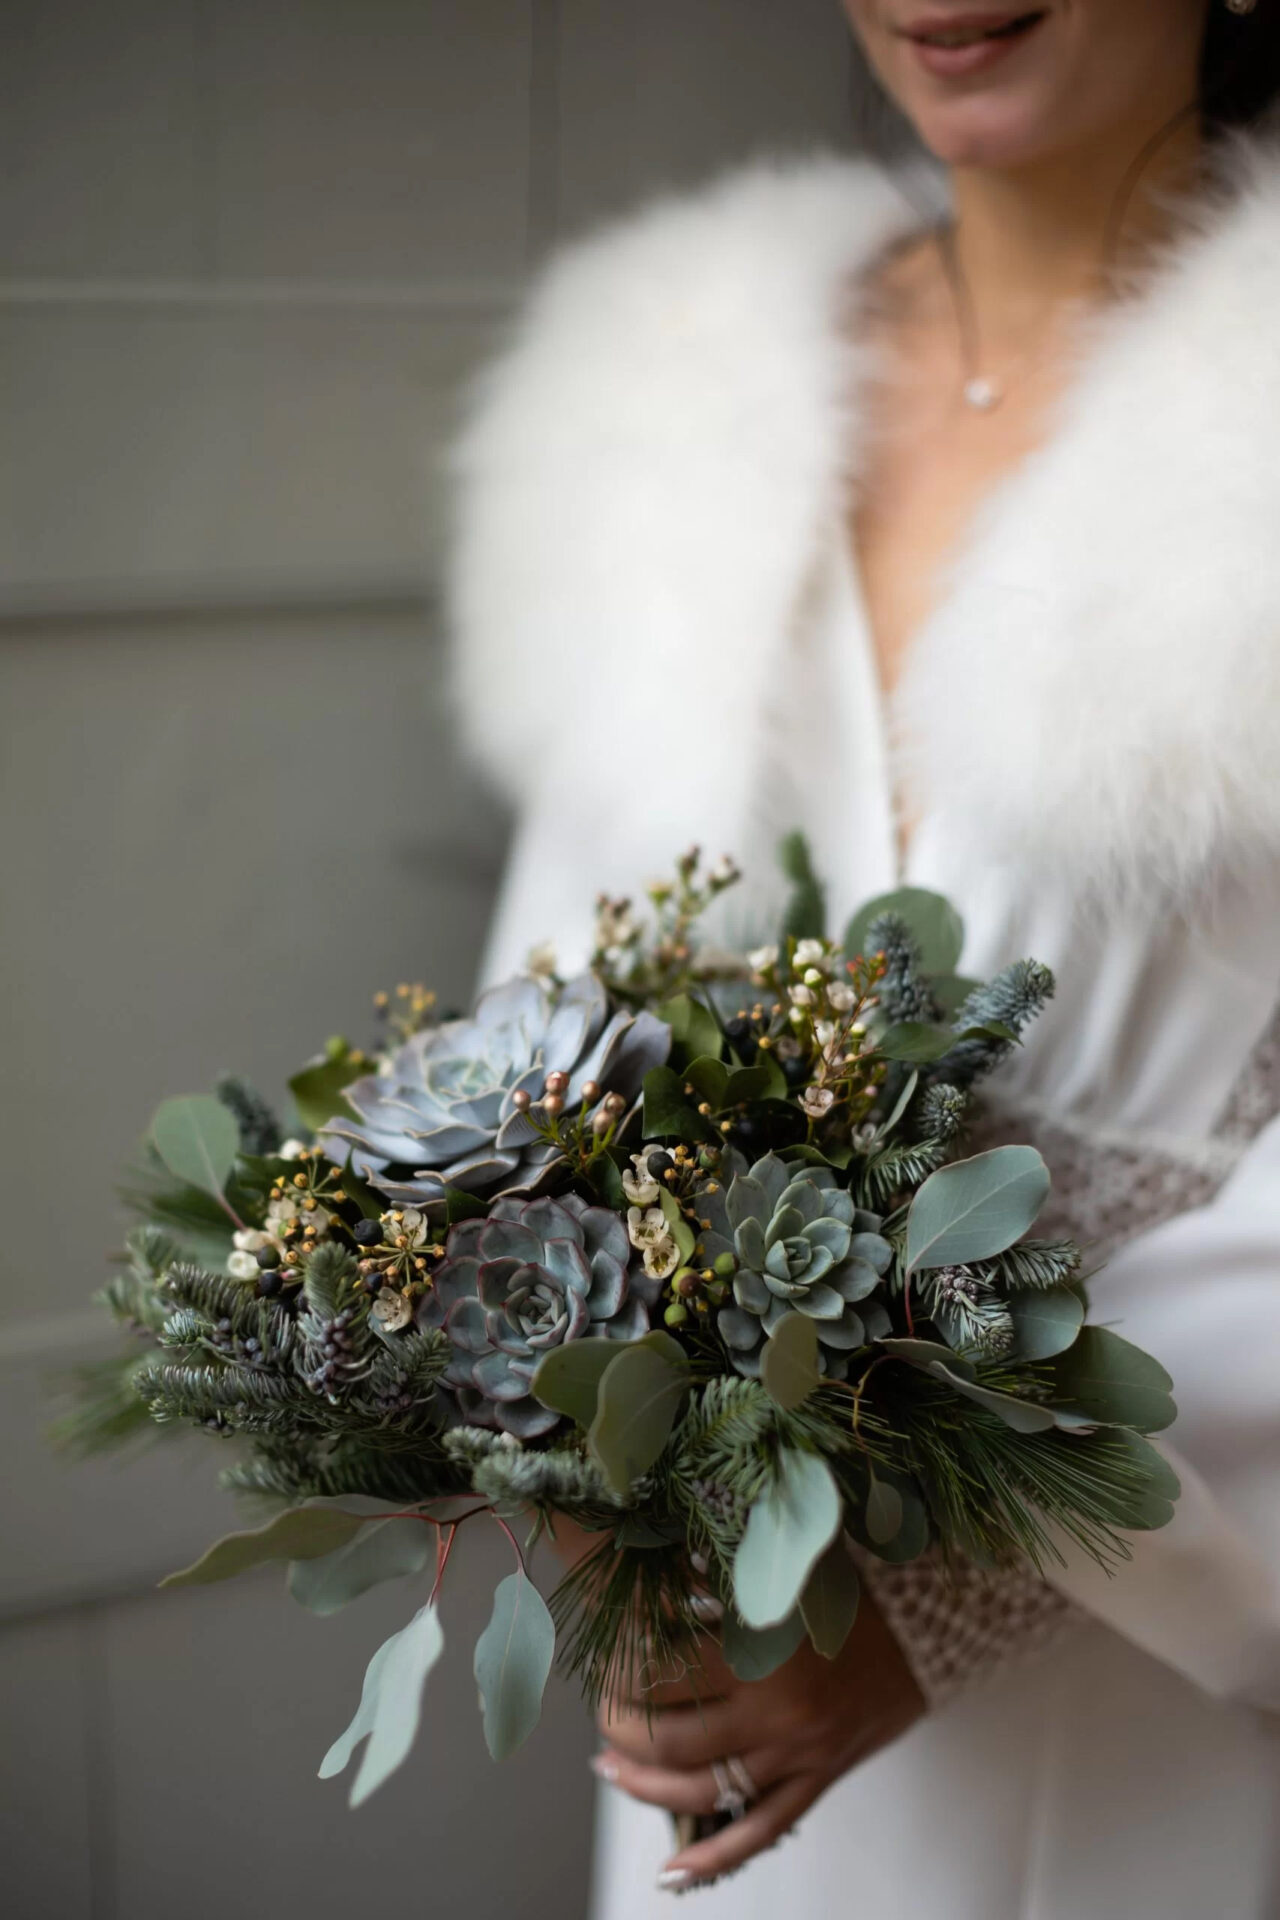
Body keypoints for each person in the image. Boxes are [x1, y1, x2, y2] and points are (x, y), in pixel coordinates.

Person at [448, 3, 1280, 1914]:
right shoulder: (659, 399)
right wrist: (579, 1474)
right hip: (712, 1633)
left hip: (1151, 1626)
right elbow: (539, 1046)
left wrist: (950, 1597)